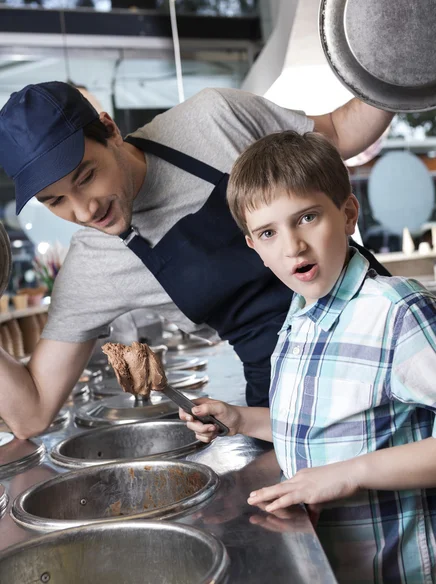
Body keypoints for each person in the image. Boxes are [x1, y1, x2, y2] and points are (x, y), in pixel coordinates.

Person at [0, 81, 392, 439]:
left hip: (385, 332)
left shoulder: (212, 119)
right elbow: (31, 414)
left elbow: (338, 133)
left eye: (86, 177)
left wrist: (404, 69)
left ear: (110, 130)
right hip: (285, 403)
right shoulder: (93, 268)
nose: (84, 212)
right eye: (56, 201)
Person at [180, 130, 436, 582]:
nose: (292, 245)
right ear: (254, 249)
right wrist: (239, 419)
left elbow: (343, 461)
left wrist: (352, 473)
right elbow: (313, 428)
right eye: (268, 232)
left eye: (308, 217)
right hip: (327, 564)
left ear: (348, 214)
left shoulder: (395, 310)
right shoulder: (298, 317)